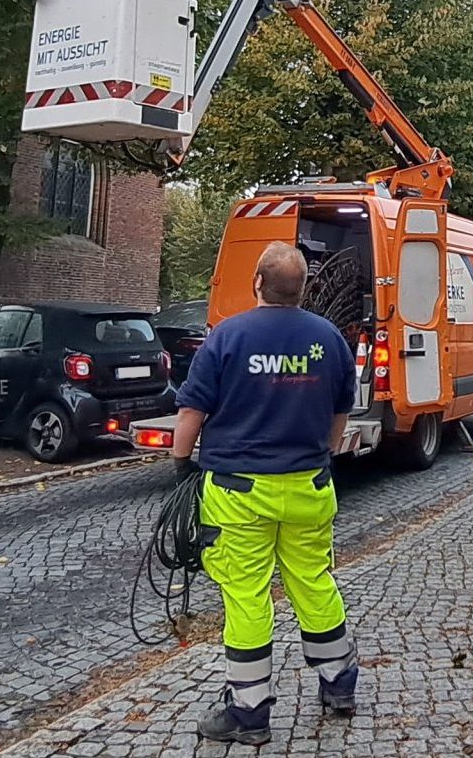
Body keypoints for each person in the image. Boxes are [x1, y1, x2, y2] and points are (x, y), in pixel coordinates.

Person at [171, 243, 358, 746]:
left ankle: (249, 713)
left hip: (238, 494)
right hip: (308, 488)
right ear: (301, 288)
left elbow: (191, 414)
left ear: (257, 281)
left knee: (247, 595)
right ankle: (339, 685)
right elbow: (341, 415)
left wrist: (179, 464)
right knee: (314, 583)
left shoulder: (227, 336)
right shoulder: (329, 339)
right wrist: (324, 454)